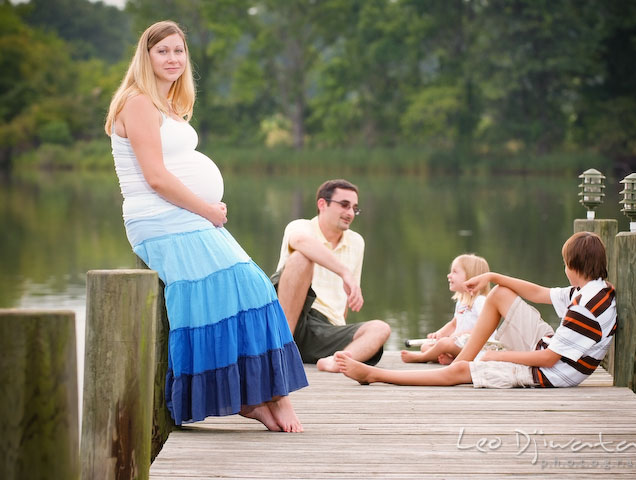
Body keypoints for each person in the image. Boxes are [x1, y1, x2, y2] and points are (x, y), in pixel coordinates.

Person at [105, 20, 307, 432]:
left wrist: (202, 209)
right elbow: (156, 178)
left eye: (179, 51)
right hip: (160, 219)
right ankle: (262, 398)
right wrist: (207, 209)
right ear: (145, 56)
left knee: (251, 286)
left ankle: (260, 398)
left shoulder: (166, 104)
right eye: (163, 51)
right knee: (242, 287)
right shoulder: (138, 102)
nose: (173, 59)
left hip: (186, 217)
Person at [336, 231, 616, 390]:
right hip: (551, 351)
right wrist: (492, 276)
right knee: (500, 294)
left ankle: (375, 374)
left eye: (565, 264)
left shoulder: (584, 308)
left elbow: (547, 359)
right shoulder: (594, 289)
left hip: (550, 374)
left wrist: (497, 356)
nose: (564, 269)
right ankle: (466, 359)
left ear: (573, 266)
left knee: (457, 375)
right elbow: (539, 293)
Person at [271, 179, 391, 373]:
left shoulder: (356, 242)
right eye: (344, 205)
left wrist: (341, 323)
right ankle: (279, 351)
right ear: (322, 204)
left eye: (354, 208)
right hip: (286, 318)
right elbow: (300, 241)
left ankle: (335, 363)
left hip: (324, 330)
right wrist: (344, 272)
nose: (350, 213)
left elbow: (345, 300)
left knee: (380, 328)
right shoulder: (300, 227)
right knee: (301, 258)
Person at [401, 254, 492, 365]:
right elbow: (454, 324)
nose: (449, 275)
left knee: (443, 345)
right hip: (460, 346)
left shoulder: (481, 301)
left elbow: (486, 329)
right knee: (426, 346)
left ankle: (421, 358)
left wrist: (462, 335)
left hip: (476, 349)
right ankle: (453, 360)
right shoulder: (461, 302)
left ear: (470, 277)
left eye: (454, 272)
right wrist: (440, 334)